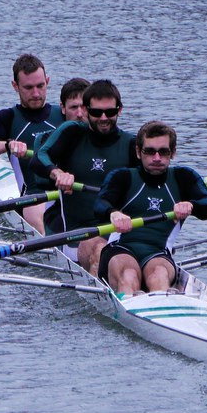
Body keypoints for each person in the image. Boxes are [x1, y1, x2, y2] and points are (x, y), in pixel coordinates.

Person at [93, 121, 207, 296]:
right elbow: (99, 205)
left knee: (159, 275)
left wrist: (191, 205)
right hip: (120, 248)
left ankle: (158, 305)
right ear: (138, 152)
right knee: (129, 275)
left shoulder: (184, 177)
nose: (157, 158)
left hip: (158, 253)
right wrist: (113, 214)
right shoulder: (122, 177)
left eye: (163, 152)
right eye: (150, 151)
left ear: (173, 153)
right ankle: (131, 299)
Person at [31, 79, 137, 275]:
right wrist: (58, 173)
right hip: (77, 235)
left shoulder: (132, 144)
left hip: (119, 231)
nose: (103, 117)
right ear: (87, 111)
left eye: (110, 112)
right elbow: (39, 158)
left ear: (120, 110)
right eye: (96, 112)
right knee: (99, 249)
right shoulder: (72, 133)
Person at [0, 54, 64, 234]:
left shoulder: (64, 113)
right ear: (15, 86)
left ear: (48, 81)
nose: (36, 93)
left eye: (40, 86)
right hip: (35, 196)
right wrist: (8, 145)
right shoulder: (8, 118)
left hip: (69, 190)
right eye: (28, 88)